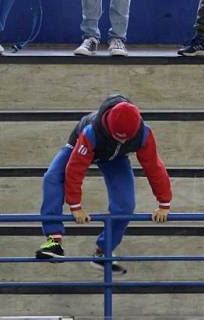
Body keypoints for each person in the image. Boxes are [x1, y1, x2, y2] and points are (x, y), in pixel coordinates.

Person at [35, 95, 171, 274]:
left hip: (115, 158)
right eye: (117, 137)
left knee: (125, 206)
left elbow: (154, 166)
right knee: (52, 177)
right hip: (80, 146)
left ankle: (103, 251)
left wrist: (164, 203)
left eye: (125, 139)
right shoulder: (91, 131)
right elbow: (75, 169)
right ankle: (54, 242)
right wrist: (76, 206)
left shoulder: (143, 134)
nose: (121, 141)